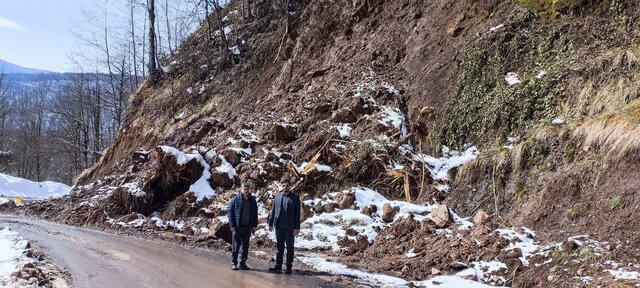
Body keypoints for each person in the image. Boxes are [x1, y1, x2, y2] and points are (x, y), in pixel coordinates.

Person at [268, 179, 301, 274]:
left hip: (290, 228)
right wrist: (270, 223)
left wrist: (297, 227)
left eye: (287, 185)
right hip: (278, 227)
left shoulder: (295, 198)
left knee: (290, 247)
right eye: (284, 185)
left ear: (290, 186)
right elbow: (273, 211)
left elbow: (297, 214)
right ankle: (278, 265)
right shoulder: (277, 197)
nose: (285, 187)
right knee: (279, 247)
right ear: (281, 186)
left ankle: (289, 267)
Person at [227, 180, 258, 271]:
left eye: (248, 189)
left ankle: (242, 263)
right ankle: (234, 263)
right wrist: (232, 225)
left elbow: (255, 213)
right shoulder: (235, 199)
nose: (246, 191)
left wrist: (254, 225)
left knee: (245, 247)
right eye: (244, 189)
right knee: (236, 246)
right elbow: (230, 213)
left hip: (247, 227)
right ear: (241, 189)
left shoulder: (252, 200)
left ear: (249, 190)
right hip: (237, 227)